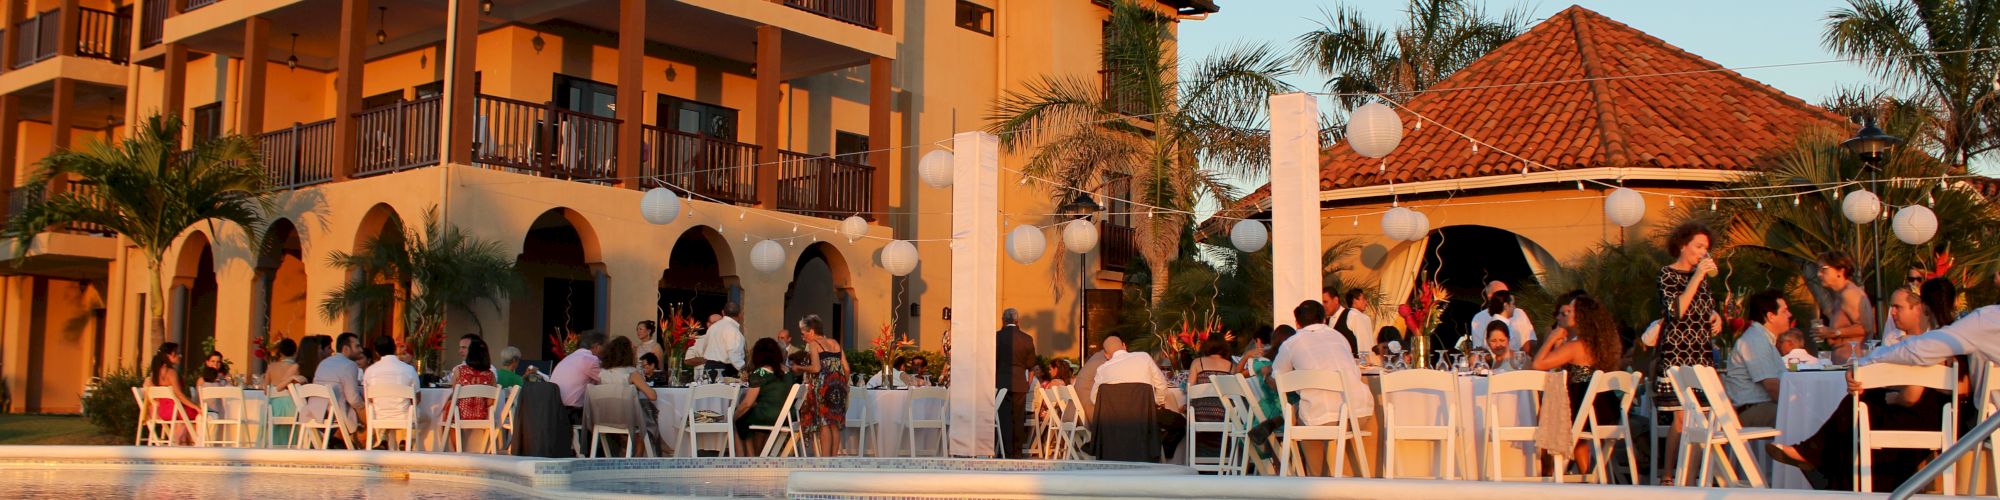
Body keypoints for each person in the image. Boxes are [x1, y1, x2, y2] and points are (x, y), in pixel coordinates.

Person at [1769, 281, 1958, 491]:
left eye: (1898, 307)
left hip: (1921, 413)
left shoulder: (1928, 341)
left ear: (1919, 308)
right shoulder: (1905, 339)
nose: (1892, 313)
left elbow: (1911, 395)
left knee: (1861, 407)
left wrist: (1885, 391)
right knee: (1860, 407)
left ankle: (1818, 461)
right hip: (1919, 409)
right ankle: (1816, 458)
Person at [1271, 300, 1373, 476]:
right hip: (1360, 413)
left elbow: (1277, 381)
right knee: (1310, 413)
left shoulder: (1291, 343)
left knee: (1303, 422)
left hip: (1324, 417)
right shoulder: (1339, 337)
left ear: (1297, 323)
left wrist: (1267, 375)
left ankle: (1316, 482)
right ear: (1324, 320)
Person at [1530, 296, 1626, 474]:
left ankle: (1553, 471)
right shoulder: (1601, 343)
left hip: (1583, 407)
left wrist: (1551, 338)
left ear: (1581, 316)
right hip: (1605, 406)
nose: (1566, 314)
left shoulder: (1577, 346)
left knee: (1548, 414)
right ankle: (1586, 473)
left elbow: (1538, 364)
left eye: (1570, 311)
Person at [1091, 334, 1187, 455]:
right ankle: (1161, 451)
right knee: (1180, 423)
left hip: (1116, 421)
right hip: (1145, 416)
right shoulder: (1143, 357)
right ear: (1124, 346)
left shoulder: (1102, 369)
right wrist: (1157, 403)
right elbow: (1162, 385)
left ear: (1106, 355)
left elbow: (1094, 399)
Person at [1722, 290, 1790, 428]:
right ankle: (1789, 450)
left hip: (1760, 407)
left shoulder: (1762, 338)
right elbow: (1772, 386)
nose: (1790, 315)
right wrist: (1798, 404)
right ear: (1771, 316)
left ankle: (1787, 449)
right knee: (1806, 416)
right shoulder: (1755, 340)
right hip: (1752, 410)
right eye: (1785, 311)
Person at [595, 336, 663, 451]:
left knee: (643, 413)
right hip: (626, 419)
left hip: (603, 417)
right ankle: (640, 457)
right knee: (647, 414)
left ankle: (626, 451)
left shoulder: (602, 373)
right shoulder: (631, 373)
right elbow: (652, 396)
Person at [796, 315, 849, 457]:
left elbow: (816, 368)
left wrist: (800, 368)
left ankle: (825, 461)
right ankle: (833, 460)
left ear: (812, 331)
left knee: (825, 423)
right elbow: (847, 369)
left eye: (803, 333)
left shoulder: (814, 345)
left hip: (823, 389)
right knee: (835, 424)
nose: (803, 337)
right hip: (838, 389)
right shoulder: (835, 343)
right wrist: (843, 385)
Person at [1812, 250, 1878, 364]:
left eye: (1824, 269)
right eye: (1818, 270)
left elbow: (1866, 327)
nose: (1819, 274)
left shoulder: (1849, 294)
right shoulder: (1840, 294)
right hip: (1843, 359)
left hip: (1852, 360)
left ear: (1840, 271)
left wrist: (1835, 332)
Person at [734, 338, 796, 454]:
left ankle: (747, 458)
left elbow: (747, 403)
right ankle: (756, 455)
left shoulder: (760, 373)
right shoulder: (787, 371)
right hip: (789, 416)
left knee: (739, 420)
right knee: (751, 420)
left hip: (770, 416)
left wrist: (734, 415)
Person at [994, 308, 1036, 457]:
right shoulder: (1027, 339)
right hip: (1020, 382)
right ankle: (1017, 451)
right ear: (1017, 321)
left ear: (1003, 320)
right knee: (1018, 418)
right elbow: (1031, 367)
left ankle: (1005, 451)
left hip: (1001, 382)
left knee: (1003, 417)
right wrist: (1027, 383)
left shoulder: (996, 337)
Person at [309, 333, 365, 440]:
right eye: (357, 346)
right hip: (333, 414)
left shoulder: (324, 363)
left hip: (315, 411)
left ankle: (340, 440)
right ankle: (371, 446)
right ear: (346, 349)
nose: (361, 350)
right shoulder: (349, 365)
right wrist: (364, 408)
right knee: (367, 410)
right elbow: (353, 399)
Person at [1186, 334, 1234, 457]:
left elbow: (1189, 389)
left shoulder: (1198, 362)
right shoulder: (1230, 366)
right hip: (1223, 415)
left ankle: (1198, 457)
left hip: (1200, 415)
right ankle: (1223, 458)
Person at [360, 334, 420, 428]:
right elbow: (417, 399)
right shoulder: (409, 369)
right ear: (395, 349)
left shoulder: (369, 371)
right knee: (425, 413)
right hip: (404, 417)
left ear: (376, 352)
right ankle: (406, 440)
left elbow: (368, 399)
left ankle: (385, 439)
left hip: (378, 417)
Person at [146, 342, 199, 445]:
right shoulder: (171, 373)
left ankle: (180, 441)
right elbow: (179, 395)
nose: (180, 355)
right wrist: (196, 407)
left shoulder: (155, 373)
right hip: (175, 410)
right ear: (169, 355)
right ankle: (192, 443)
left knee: (188, 414)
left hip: (161, 411)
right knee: (199, 414)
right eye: (177, 353)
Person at [262, 338, 305, 445]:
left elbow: (265, 389)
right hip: (292, 407)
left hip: (274, 408)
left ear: (280, 352)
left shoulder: (271, 367)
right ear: (295, 352)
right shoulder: (297, 367)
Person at [551, 331, 607, 412]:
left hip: (555, 409)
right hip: (571, 412)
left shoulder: (569, 358)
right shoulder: (590, 359)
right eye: (605, 347)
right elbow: (609, 381)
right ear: (597, 346)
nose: (607, 351)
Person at [692, 303, 746, 378]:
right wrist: (744, 369)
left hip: (709, 367)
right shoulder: (733, 330)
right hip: (725, 370)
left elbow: (705, 347)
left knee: (709, 389)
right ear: (740, 314)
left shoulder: (713, 327)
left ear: (723, 312)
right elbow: (734, 354)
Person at [1880, 264, 1929, 346]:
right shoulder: (1892, 338)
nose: (1915, 282)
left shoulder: (1935, 334)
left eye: (1918, 279)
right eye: (1911, 279)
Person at [450, 339, 498, 422]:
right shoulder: (491, 375)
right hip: (481, 416)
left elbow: (454, 395)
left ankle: (454, 435)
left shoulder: (459, 371)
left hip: (460, 416)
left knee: (446, 409)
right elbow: (490, 402)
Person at [1328, 288, 1372, 356]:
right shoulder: (1359, 316)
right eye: (1363, 299)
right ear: (1354, 300)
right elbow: (1364, 343)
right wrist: (1364, 363)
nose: (1366, 303)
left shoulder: (1333, 317)